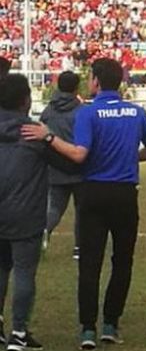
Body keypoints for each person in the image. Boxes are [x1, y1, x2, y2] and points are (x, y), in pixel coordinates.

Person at [21, 58, 146, 350]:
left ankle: (87, 329)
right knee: (122, 261)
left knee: (90, 263)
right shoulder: (136, 112)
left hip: (94, 193)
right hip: (125, 194)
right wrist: (125, 159)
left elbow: (79, 155)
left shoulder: (89, 112)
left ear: (95, 81)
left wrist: (48, 137)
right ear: (119, 82)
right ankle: (110, 324)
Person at [1, 75, 77, 351]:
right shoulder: (32, 132)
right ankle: (19, 332)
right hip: (25, 214)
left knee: (0, 269)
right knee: (23, 272)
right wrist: (49, 136)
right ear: (25, 100)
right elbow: (69, 165)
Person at [40, 71, 83, 260]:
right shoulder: (81, 111)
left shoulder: (48, 110)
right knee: (82, 210)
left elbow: (41, 135)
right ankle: (79, 248)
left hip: (55, 166)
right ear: (76, 88)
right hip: (79, 165)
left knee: (54, 208)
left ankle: (43, 232)